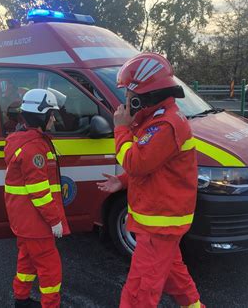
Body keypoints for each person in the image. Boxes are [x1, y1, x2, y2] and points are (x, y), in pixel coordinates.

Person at [97, 53, 204, 308]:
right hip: (160, 223)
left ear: (143, 98)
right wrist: (122, 182)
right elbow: (153, 169)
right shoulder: (157, 121)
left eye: (128, 97)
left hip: (159, 225)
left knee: (139, 293)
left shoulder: (164, 126)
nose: (125, 103)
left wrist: (121, 128)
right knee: (175, 277)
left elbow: (137, 162)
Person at [4, 88, 70, 308]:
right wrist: (54, 220)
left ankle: (21, 299)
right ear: (42, 116)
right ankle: (50, 305)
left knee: (27, 261)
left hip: (25, 220)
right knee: (50, 268)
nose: (53, 119)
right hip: (35, 222)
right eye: (51, 114)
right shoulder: (34, 148)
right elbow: (39, 192)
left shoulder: (26, 141)